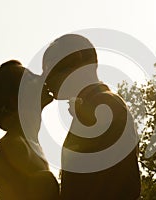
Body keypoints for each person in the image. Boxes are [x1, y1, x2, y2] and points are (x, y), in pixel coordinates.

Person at [42, 34, 141, 200]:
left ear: (75, 62)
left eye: (50, 70)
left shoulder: (104, 104)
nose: (46, 80)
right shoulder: (96, 104)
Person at [0, 60, 60, 200]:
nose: (41, 78)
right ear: (15, 99)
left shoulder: (27, 144)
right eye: (31, 79)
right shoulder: (14, 145)